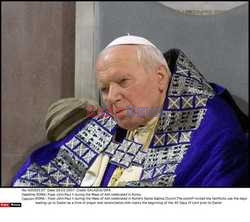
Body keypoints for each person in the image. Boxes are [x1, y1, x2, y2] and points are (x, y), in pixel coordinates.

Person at [12, 35, 248, 187]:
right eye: (104, 89)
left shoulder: (210, 128)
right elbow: (40, 177)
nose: (111, 98)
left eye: (123, 81)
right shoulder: (104, 123)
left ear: (160, 78)